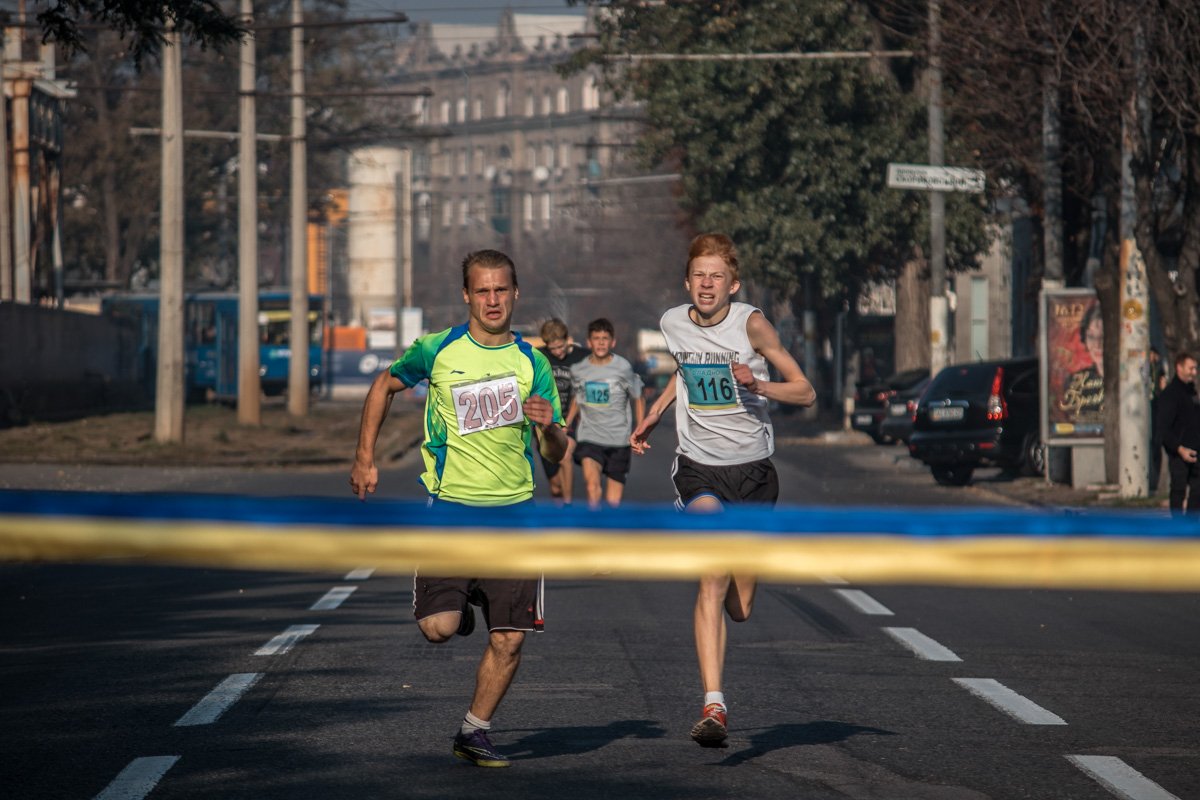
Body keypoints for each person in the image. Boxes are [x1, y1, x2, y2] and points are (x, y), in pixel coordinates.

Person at [349, 249, 567, 768]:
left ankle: (474, 730)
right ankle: (463, 598)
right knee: (439, 629)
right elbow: (385, 384)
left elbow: (556, 455)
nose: (493, 300)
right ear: (467, 295)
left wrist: (549, 426)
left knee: (510, 639)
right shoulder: (438, 349)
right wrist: (364, 458)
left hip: (515, 515)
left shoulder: (532, 363)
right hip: (450, 511)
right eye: (482, 291)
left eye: (502, 290)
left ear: (516, 295)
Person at [629, 233, 816, 747]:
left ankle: (743, 568)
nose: (706, 284)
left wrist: (758, 385)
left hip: (753, 473)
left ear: (733, 284)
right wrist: (653, 414)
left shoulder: (752, 324)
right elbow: (684, 371)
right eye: (698, 275)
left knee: (742, 606)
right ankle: (714, 705)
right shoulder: (671, 322)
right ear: (686, 281)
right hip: (699, 468)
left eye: (716, 276)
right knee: (711, 575)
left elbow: (805, 390)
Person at [565, 318, 645, 508]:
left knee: (612, 504)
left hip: (619, 440)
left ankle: (609, 533)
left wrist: (641, 429)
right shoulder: (579, 370)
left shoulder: (623, 368)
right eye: (596, 338)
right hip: (590, 437)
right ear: (589, 342)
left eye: (605, 338)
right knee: (592, 487)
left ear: (613, 342)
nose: (601, 342)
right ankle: (594, 531)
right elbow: (578, 397)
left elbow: (638, 396)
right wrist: (566, 423)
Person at [537, 318, 590, 504]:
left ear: (568, 340)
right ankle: (558, 512)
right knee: (555, 486)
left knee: (566, 455)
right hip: (545, 426)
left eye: (561, 347)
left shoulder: (583, 356)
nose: (558, 352)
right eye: (553, 349)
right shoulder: (538, 357)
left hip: (572, 420)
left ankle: (568, 509)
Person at [1156, 351, 1200, 515]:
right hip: (1178, 452)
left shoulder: (1192, 393)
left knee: (1197, 491)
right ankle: (1177, 528)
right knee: (1178, 490)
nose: (1194, 373)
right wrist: (1179, 449)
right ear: (1179, 368)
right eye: (1191, 368)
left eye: (1195, 369)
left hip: (1196, 450)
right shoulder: (1170, 395)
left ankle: (1190, 526)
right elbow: (1164, 429)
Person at [1059, 302, 1104, 423]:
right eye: (1091, 337)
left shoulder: (1124, 381)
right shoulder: (1075, 381)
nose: (1097, 345)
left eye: (1103, 337)